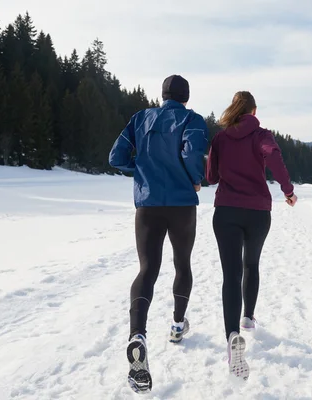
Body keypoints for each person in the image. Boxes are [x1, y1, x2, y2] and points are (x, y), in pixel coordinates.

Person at [109, 75, 208, 394]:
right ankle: (178, 326)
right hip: (181, 204)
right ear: (186, 97)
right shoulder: (192, 120)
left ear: (162, 94)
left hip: (148, 203)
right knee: (182, 264)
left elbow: (116, 158)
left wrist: (142, 170)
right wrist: (195, 179)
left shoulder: (140, 117)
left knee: (147, 270)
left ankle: (137, 335)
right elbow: (193, 153)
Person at [206, 91, 297, 380]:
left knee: (231, 274)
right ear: (254, 111)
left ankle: (232, 336)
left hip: (227, 211)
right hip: (258, 212)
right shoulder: (262, 134)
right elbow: (274, 157)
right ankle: (248, 318)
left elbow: (211, 178)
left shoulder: (220, 138)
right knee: (251, 265)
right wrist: (288, 190)